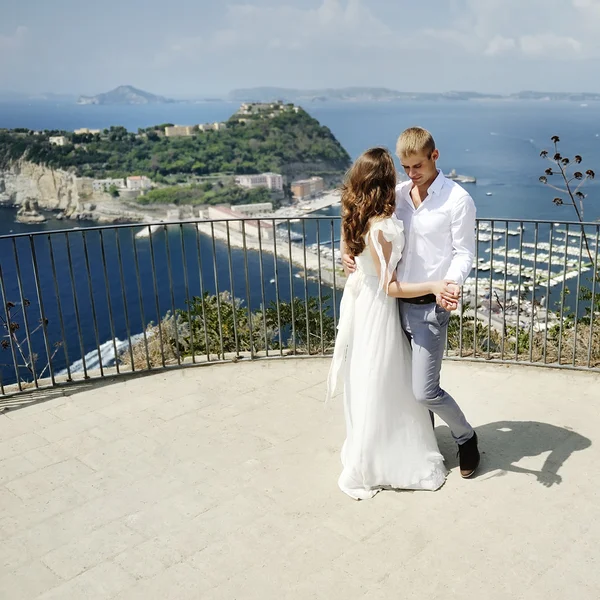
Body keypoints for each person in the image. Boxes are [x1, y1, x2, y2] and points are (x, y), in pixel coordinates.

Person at [342, 128, 480, 480]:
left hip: (430, 306)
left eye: (417, 165)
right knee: (402, 387)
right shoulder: (398, 195)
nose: (411, 173)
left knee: (424, 390)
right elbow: (362, 217)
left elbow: (464, 253)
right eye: (405, 167)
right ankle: (424, 446)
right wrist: (347, 253)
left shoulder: (457, 200)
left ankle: (465, 437)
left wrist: (450, 284)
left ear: (435, 156)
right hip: (389, 307)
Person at [327, 147, 455, 500]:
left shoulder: (352, 209)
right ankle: (381, 455)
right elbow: (390, 285)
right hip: (380, 305)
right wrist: (433, 285)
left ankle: (368, 445)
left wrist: (345, 254)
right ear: (386, 182)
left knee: (368, 374)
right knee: (384, 377)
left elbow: (347, 242)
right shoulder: (382, 226)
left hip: (361, 299)